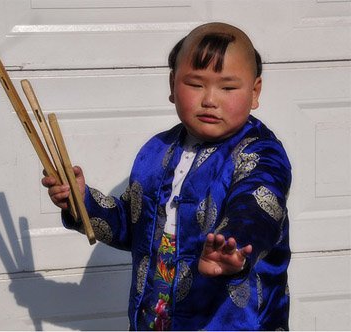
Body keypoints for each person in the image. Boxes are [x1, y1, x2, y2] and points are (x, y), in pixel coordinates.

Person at [42, 22, 292, 331]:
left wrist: (233, 245)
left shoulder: (260, 154)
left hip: (229, 321)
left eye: (228, 87)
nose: (210, 99)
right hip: (154, 318)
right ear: (173, 84)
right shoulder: (155, 151)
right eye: (196, 84)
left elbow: (257, 204)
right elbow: (132, 227)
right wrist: (80, 201)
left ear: (255, 91)